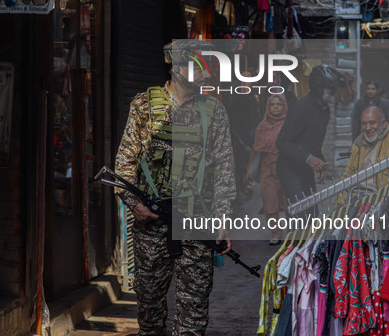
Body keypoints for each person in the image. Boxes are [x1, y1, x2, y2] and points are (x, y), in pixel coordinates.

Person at [114, 39, 236, 335]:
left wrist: (222, 217)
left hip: (198, 221)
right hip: (152, 226)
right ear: (177, 68)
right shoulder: (144, 106)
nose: (206, 74)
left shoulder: (214, 111)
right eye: (199, 67)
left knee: (193, 315)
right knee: (150, 313)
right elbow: (124, 166)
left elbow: (223, 168)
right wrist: (136, 204)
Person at [276, 65, 346, 203]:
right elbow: (282, 142)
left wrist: (320, 161)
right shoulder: (301, 108)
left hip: (305, 167)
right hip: (289, 169)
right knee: (299, 214)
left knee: (312, 214)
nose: (333, 93)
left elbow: (313, 141)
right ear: (319, 86)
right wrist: (309, 159)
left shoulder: (325, 110)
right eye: (330, 90)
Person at [340, 106, 389, 204]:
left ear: (383, 124)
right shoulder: (358, 145)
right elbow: (347, 176)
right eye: (364, 124)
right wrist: (340, 206)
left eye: (372, 123)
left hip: (385, 203)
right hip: (358, 200)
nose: (368, 128)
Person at [246, 94, 288, 245]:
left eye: (279, 104)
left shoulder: (289, 124)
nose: (275, 107)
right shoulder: (262, 126)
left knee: (289, 201)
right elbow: (255, 150)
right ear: (268, 108)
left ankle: (292, 232)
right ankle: (276, 233)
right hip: (267, 169)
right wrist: (249, 170)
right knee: (270, 202)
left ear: (284, 106)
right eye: (272, 105)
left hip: (286, 168)